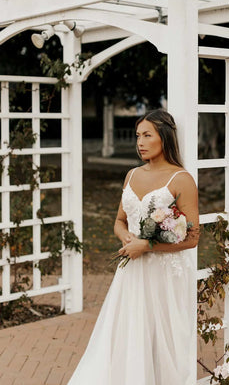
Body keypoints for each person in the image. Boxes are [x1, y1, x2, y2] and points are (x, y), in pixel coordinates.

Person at [67, 109, 199, 385]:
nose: (139, 142)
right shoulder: (131, 175)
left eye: (147, 135)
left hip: (165, 274)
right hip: (132, 272)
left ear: (164, 137)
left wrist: (147, 246)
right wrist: (127, 238)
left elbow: (192, 237)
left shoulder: (181, 179)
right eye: (138, 135)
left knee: (164, 342)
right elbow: (119, 221)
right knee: (127, 334)